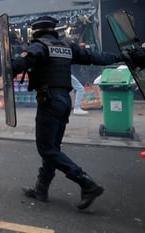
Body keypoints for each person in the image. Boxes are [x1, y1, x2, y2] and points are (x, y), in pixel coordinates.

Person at [11, 16, 123, 210]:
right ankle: (41, 188)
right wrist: (122, 57)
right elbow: (95, 57)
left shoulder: (40, 46)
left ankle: (86, 182)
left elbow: (20, 64)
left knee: (46, 148)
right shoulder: (67, 46)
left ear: (36, 32)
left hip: (49, 101)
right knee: (53, 147)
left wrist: (8, 65)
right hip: (64, 101)